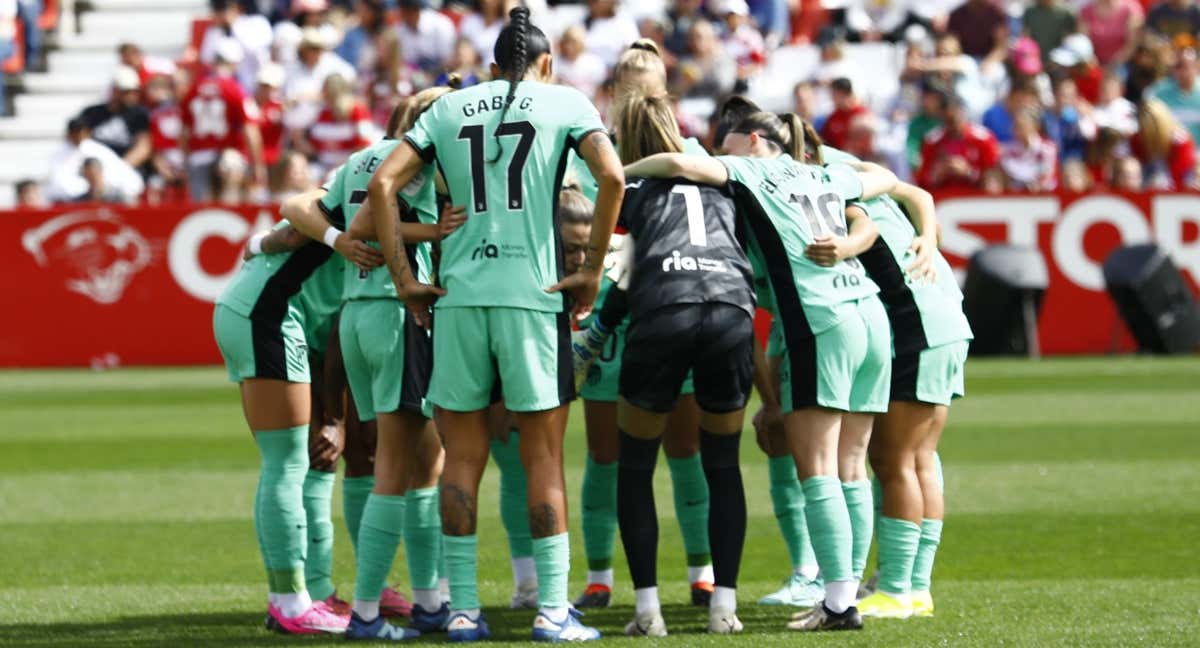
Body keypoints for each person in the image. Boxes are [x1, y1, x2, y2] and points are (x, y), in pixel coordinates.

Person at [365, 7, 624, 642]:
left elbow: (382, 185)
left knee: (461, 456)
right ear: (545, 65)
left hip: (457, 294)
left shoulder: (449, 109)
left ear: (487, 68)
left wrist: (404, 278)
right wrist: (590, 269)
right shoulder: (564, 103)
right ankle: (553, 611)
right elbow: (613, 176)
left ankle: (462, 609)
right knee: (542, 458)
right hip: (533, 297)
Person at [621, 108, 930, 633]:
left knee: (819, 469)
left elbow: (679, 163)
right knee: (852, 465)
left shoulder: (752, 170)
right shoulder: (818, 170)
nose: (720, 149)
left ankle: (837, 605)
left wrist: (624, 172)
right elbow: (887, 180)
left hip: (820, 321)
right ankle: (843, 592)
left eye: (728, 141)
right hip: (869, 315)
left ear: (755, 140)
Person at [280, 88, 465, 641]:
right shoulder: (424, 163)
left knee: (400, 462)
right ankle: (377, 609)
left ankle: (419, 599)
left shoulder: (357, 160)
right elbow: (376, 222)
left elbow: (301, 207)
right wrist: (432, 232)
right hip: (397, 312)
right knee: (410, 471)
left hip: (354, 315)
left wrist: (334, 239)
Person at [567, 40, 718, 613]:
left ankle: (701, 572)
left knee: (685, 449)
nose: (637, 98)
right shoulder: (586, 154)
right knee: (605, 455)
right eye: (627, 87)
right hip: (603, 309)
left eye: (648, 89)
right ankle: (601, 575)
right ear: (612, 93)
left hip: (667, 307)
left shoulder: (691, 152)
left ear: (663, 95)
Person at [600, 91, 756, 637]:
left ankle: (648, 612)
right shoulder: (724, 179)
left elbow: (620, 272)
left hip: (666, 308)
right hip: (733, 310)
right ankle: (724, 608)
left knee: (637, 466)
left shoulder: (628, 185)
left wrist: (596, 329)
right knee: (723, 464)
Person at [808, 144, 970, 622]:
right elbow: (918, 192)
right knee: (920, 457)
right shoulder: (848, 167)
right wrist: (928, 236)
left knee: (892, 459)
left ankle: (899, 587)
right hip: (946, 315)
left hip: (916, 323)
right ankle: (914, 586)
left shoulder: (824, 184)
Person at [210, 180, 364, 637]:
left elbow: (286, 233)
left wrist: (256, 243)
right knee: (287, 463)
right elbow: (295, 215)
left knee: (293, 463)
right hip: (270, 314)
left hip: (269, 312)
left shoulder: (367, 182)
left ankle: (303, 596)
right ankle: (289, 603)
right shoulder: (372, 185)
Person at [181, 38, 267, 202]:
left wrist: (186, 160)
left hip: (198, 156)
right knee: (231, 205)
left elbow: (184, 132)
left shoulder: (193, 88)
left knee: (202, 210)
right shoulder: (235, 89)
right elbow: (250, 130)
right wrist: (258, 166)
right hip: (228, 158)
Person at [45, 118, 144, 204]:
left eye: (81, 131)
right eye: (75, 132)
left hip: (108, 199)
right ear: (69, 133)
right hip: (75, 202)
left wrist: (101, 189)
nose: (79, 135)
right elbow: (58, 185)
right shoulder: (58, 154)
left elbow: (127, 177)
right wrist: (88, 191)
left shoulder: (98, 150)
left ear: (87, 132)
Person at [917, 95, 1001, 191]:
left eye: (955, 119)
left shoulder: (984, 139)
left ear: (963, 114)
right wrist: (939, 174)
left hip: (976, 200)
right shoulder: (932, 142)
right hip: (943, 200)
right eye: (948, 121)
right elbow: (922, 183)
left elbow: (995, 182)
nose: (953, 126)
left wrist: (969, 172)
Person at [77, 66, 152, 169]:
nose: (132, 95)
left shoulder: (138, 115)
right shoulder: (92, 113)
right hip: (95, 168)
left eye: (135, 91)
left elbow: (143, 148)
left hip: (125, 169)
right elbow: (80, 140)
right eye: (126, 91)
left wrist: (118, 168)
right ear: (114, 90)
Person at [199, 0, 273, 92]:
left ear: (236, 8)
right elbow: (205, 58)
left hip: (254, 83)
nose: (219, 15)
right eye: (217, 11)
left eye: (223, 10)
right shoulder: (214, 31)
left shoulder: (256, 22)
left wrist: (234, 26)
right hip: (227, 87)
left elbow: (256, 53)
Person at [999, 110, 1059, 191]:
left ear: (1035, 126)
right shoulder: (1007, 149)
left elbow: (1047, 175)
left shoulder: (1047, 148)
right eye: (1016, 126)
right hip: (1016, 195)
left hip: (1044, 194)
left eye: (1023, 126)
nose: (1019, 130)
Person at [1151, 47, 1200, 143]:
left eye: (1183, 65)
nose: (1180, 71)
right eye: (1176, 66)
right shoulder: (1159, 92)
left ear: (1197, 67)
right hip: (1170, 153)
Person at [395, 0, 456, 77]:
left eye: (407, 11)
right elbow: (405, 63)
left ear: (416, 9)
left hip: (442, 72)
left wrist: (431, 76)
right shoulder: (400, 29)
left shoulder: (440, 24)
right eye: (402, 11)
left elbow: (449, 60)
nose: (403, 15)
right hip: (416, 75)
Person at [1079, 0, 1144, 68]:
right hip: (1092, 63)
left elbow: (1132, 44)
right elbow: (1084, 41)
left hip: (1123, 62)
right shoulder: (1086, 10)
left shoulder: (1131, 8)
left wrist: (1114, 65)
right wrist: (1094, 63)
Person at [1023, 0, 1078, 66]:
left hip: (1059, 61)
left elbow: (1074, 37)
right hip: (1036, 61)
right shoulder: (1029, 12)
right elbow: (1026, 36)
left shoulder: (1066, 12)